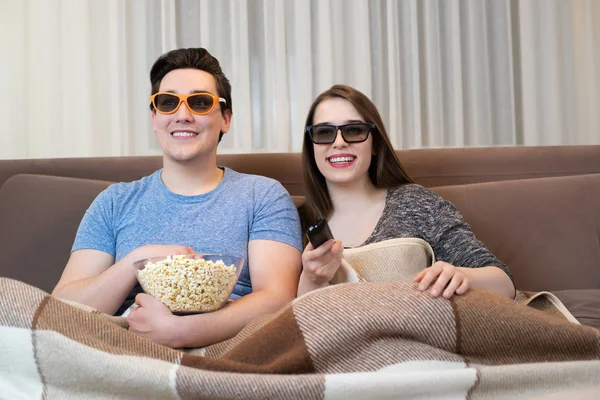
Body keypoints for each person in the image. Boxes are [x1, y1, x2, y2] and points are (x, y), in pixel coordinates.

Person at [52, 48, 303, 348]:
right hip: (123, 346)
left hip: (229, 348)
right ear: (155, 118)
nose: (183, 116)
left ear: (226, 119)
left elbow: (278, 299)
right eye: (168, 103)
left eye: (199, 103)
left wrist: (179, 332)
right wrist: (138, 259)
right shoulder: (114, 202)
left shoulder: (262, 196)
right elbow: (63, 309)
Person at [297, 84, 515, 299]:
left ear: (374, 145)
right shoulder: (292, 221)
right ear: (312, 147)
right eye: (324, 132)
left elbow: (504, 284)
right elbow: (285, 321)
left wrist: (460, 274)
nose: (339, 142)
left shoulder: (416, 203)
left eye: (354, 130)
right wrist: (311, 279)